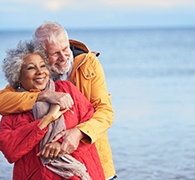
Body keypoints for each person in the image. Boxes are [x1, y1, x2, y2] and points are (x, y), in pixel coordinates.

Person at [0, 21, 116, 180]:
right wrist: (44, 96)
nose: (63, 57)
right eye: (55, 53)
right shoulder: (25, 82)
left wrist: (77, 133)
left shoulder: (86, 66)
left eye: (66, 49)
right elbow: (3, 103)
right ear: (41, 53)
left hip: (91, 162)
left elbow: (104, 112)